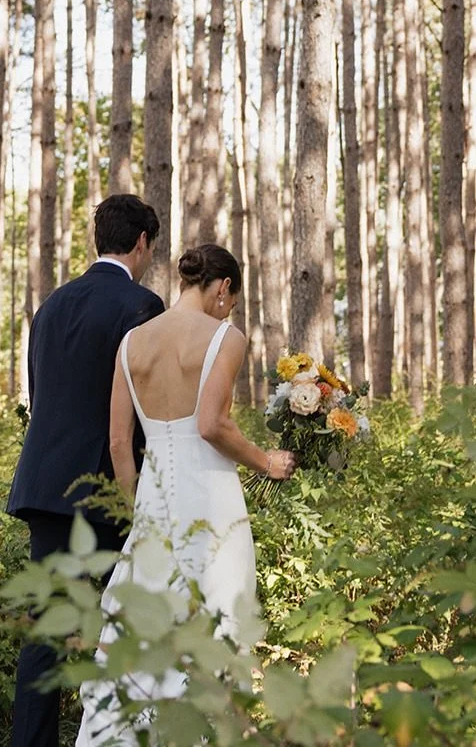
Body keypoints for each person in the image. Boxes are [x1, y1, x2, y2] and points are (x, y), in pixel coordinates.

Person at [75, 244, 295, 747]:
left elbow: (116, 442)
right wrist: (267, 461)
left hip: (155, 501)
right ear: (222, 288)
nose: (230, 309)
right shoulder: (225, 337)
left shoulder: (132, 342)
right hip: (211, 498)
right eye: (231, 300)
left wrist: (139, 509)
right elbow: (212, 424)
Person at [8, 194, 165, 747]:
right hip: (109, 491)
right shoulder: (143, 306)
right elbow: (147, 407)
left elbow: (41, 396)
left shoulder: (51, 305)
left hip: (46, 488)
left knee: (45, 633)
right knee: (133, 624)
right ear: (142, 242)